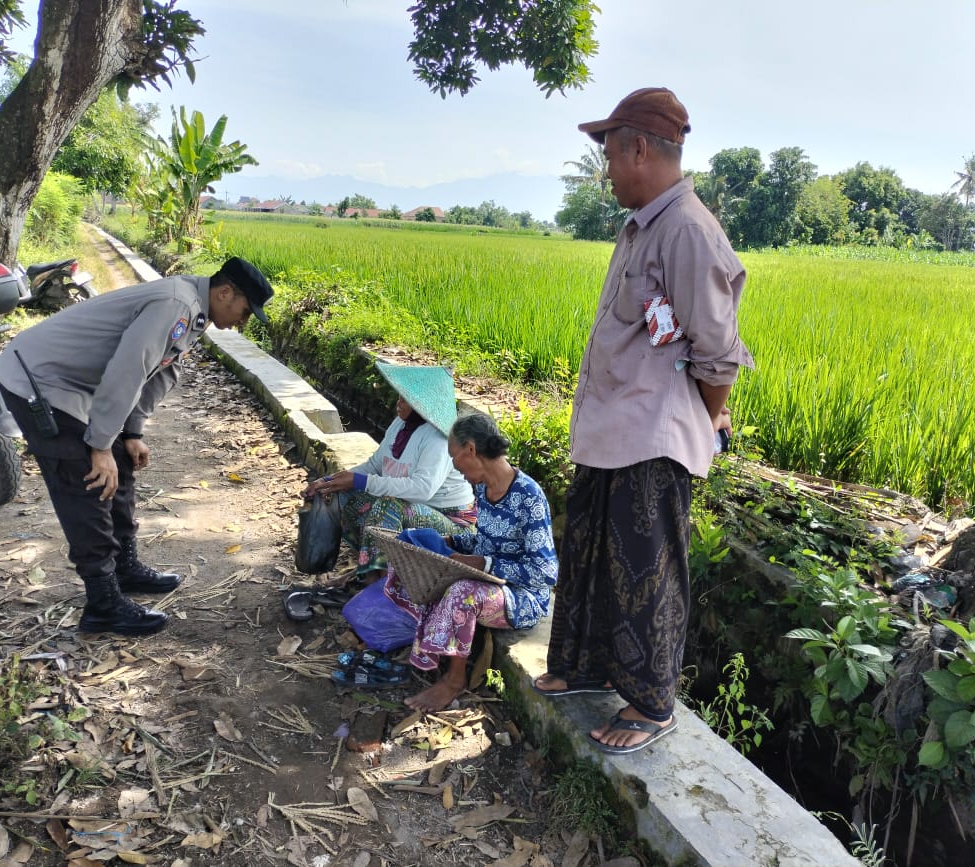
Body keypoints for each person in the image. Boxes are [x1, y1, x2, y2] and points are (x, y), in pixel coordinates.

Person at [534, 87, 754, 754]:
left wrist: (698, 421)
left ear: (637, 149)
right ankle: (584, 666)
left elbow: (718, 354)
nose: (604, 170)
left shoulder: (687, 231)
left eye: (608, 154)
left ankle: (653, 705)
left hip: (651, 435)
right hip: (610, 428)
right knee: (592, 555)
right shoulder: (642, 228)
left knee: (646, 571)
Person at [0, 257, 274, 637]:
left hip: (74, 384)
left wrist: (131, 432)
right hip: (39, 380)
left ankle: (124, 568)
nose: (244, 321)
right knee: (87, 481)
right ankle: (103, 603)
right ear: (225, 292)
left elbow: (162, 370)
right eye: (246, 311)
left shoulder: (195, 311)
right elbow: (129, 369)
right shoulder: (176, 303)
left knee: (121, 463)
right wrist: (99, 446)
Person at [384, 412, 558, 712]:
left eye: (454, 457)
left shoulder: (529, 497)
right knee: (417, 558)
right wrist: (448, 542)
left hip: (522, 595)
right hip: (486, 580)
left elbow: (545, 573)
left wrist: (483, 564)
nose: (455, 466)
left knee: (462, 592)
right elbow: (483, 540)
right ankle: (423, 645)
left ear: (471, 450)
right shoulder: (482, 488)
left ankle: (455, 680)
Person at [302, 362, 476, 584]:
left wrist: (362, 481)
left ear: (421, 406)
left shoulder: (438, 439)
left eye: (404, 400)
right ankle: (369, 570)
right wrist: (329, 482)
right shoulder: (399, 425)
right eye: (399, 397)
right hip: (412, 507)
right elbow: (375, 465)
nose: (398, 404)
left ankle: (381, 584)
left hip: (452, 524)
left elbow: (422, 489)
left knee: (387, 506)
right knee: (339, 495)